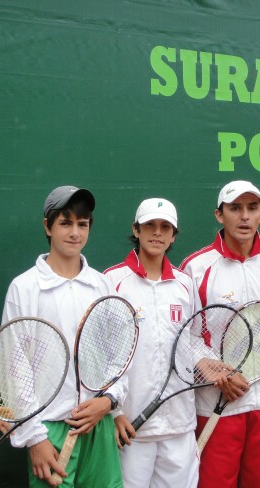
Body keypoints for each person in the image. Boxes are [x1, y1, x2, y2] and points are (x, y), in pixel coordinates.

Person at [2, 185, 124, 488]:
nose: (75, 233)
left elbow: (119, 355)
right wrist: (34, 438)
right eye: (65, 223)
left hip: (98, 423)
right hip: (49, 431)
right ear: (47, 226)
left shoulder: (102, 285)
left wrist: (109, 401)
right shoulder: (24, 288)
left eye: (82, 224)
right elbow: (15, 370)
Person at [180, 180, 260, 488]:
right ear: (219, 215)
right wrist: (217, 373)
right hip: (216, 402)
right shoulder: (196, 268)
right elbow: (185, 336)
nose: (244, 217)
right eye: (235, 208)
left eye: (252, 208)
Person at [104, 197, 200, 487]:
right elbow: (100, 354)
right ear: (136, 230)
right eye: (150, 226)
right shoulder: (112, 281)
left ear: (173, 235)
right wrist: (115, 412)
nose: (157, 232)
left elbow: (192, 339)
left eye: (165, 227)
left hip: (180, 425)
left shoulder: (185, 284)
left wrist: (210, 363)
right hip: (132, 428)